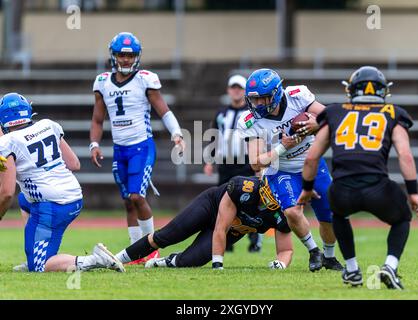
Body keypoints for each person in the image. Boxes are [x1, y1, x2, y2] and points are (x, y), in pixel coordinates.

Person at [298, 66, 418, 289]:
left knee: (338, 215)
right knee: (402, 218)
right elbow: (405, 155)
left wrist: (307, 189)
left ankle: (351, 269)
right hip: (378, 187)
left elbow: (311, 158)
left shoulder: (335, 112)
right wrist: (413, 193)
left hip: (342, 188)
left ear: (351, 90)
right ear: (383, 90)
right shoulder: (393, 112)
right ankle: (390, 266)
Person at [0, 92, 124, 273]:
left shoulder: (6, 142)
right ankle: (38, 250)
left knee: (39, 266)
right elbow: (74, 164)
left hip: (52, 206)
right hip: (74, 197)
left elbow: (6, 192)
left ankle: (93, 259)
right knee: (24, 199)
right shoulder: (48, 125)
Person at [89, 32, 185, 264]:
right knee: (127, 201)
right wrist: (94, 143)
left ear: (137, 57)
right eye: (122, 55)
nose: (126, 60)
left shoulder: (145, 79)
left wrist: (176, 133)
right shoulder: (102, 82)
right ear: (114, 56)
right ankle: (135, 251)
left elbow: (163, 110)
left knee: (137, 196)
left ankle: (151, 247)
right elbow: (97, 120)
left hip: (141, 146)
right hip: (120, 149)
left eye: (130, 56)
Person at [237, 68, 343, 272]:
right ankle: (314, 251)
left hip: (312, 162)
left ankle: (329, 257)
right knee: (292, 212)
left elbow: (331, 116)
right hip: (281, 170)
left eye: (263, 99)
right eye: (254, 100)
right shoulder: (249, 121)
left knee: (328, 216)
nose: (258, 104)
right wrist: (283, 147)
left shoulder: (298, 96)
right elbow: (256, 163)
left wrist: (317, 123)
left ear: (276, 93)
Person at [114, 176, 293, 270]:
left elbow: (286, 250)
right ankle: (116, 259)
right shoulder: (243, 187)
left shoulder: (282, 214)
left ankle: (166, 261)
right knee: (166, 236)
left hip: (231, 231)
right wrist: (217, 263)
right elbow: (220, 228)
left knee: (190, 261)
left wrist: (281, 264)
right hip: (211, 207)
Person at [203, 74, 263, 253]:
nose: (236, 91)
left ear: (245, 92)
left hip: (246, 162)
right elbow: (214, 135)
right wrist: (209, 160)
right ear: (229, 90)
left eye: (240, 88)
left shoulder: (252, 113)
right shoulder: (221, 113)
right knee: (223, 202)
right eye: (233, 88)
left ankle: (255, 239)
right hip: (225, 163)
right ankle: (226, 240)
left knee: (250, 201)